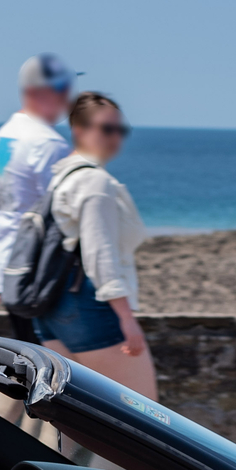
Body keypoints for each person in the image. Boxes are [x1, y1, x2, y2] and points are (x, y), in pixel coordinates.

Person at [43, 92, 158, 400]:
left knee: (74, 420)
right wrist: (127, 319)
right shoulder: (96, 182)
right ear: (78, 130)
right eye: (106, 129)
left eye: (121, 130)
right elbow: (99, 253)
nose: (115, 137)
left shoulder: (61, 175)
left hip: (52, 310)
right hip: (89, 308)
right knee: (146, 415)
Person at [0, 53, 78, 337]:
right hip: (41, 272)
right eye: (62, 89)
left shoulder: (3, 136)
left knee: (30, 360)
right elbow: (61, 214)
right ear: (37, 92)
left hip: (10, 268)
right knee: (56, 368)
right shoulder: (47, 143)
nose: (68, 98)